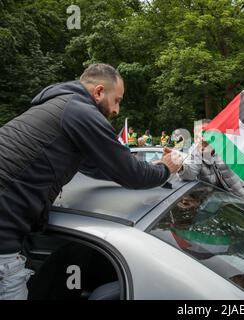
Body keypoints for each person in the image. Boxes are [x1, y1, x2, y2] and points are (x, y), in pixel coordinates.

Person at [0, 63, 182, 300]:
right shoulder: (80, 112)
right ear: (98, 92)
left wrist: (153, 168)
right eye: (117, 100)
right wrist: (167, 169)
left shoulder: (60, 107)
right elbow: (130, 173)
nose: (117, 110)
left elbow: (97, 167)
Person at [178, 120, 244, 208]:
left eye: (205, 133)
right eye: (198, 135)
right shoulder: (194, 155)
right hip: (223, 209)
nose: (202, 138)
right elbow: (189, 173)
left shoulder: (227, 149)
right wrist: (180, 168)